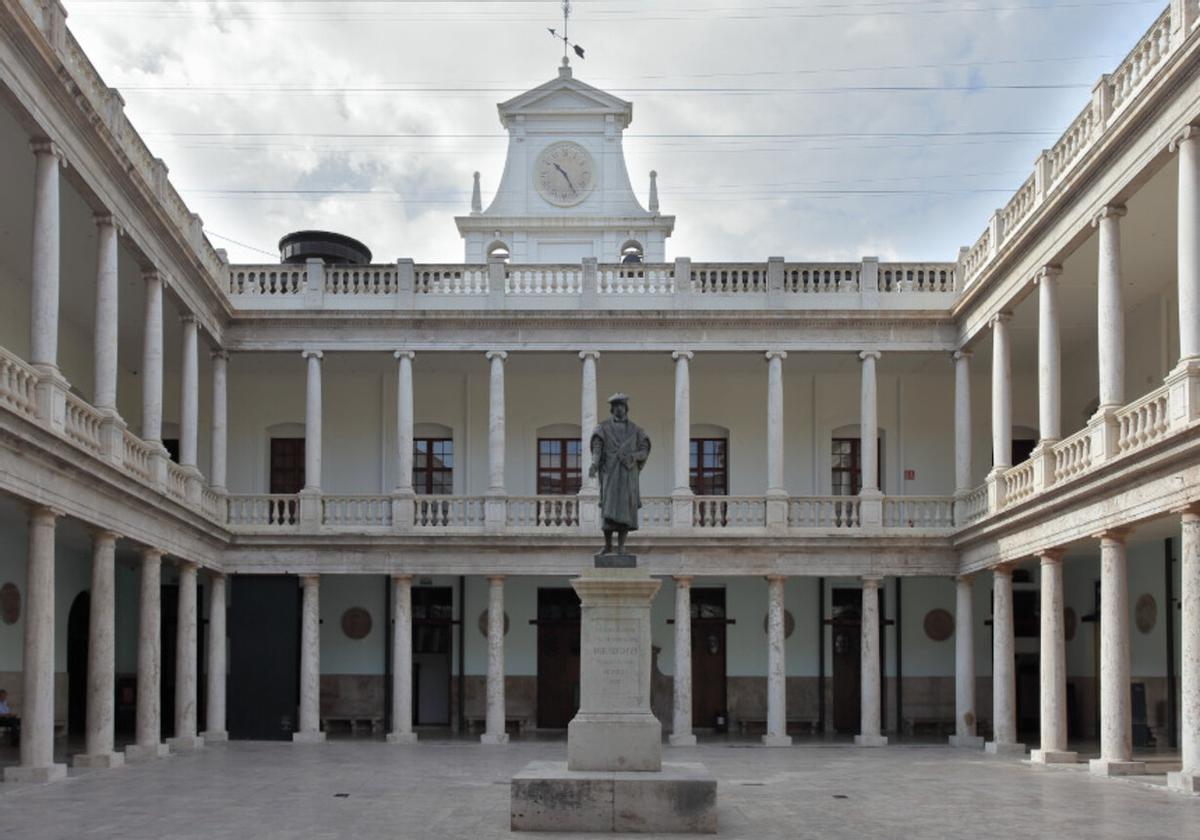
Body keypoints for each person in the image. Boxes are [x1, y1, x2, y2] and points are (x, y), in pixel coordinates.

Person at [588, 393, 651, 554]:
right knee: (608, 510)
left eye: (621, 406)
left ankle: (622, 546)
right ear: (611, 409)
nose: (618, 409)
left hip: (628, 475)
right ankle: (608, 544)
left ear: (626, 408)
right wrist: (594, 463)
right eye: (615, 406)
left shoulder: (636, 430)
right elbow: (597, 447)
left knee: (626, 511)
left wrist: (634, 456)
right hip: (610, 473)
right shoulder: (603, 428)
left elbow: (644, 450)